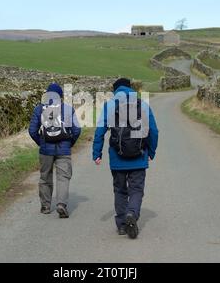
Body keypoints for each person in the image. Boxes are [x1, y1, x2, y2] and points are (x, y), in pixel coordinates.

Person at [92, 78, 159, 239]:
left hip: (117, 157)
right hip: (139, 155)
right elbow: (154, 131)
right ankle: (132, 213)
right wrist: (151, 151)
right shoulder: (142, 104)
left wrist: (97, 153)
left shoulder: (109, 106)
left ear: (115, 90)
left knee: (120, 191)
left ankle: (122, 225)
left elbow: (100, 131)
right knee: (136, 189)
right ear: (130, 88)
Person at [29, 83, 81, 218]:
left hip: (46, 149)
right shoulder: (68, 109)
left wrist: (41, 142)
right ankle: (61, 205)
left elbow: (32, 130)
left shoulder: (39, 109)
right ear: (61, 96)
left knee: (45, 177)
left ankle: (46, 206)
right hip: (63, 148)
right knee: (63, 177)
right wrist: (70, 143)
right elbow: (76, 130)